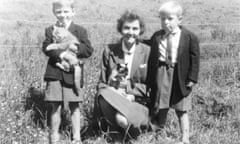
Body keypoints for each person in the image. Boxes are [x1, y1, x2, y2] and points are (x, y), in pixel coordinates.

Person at [144, 1, 200, 144]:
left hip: (180, 75)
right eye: (162, 19)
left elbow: (195, 59)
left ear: (179, 19)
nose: (165, 22)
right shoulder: (157, 36)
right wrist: (134, 40)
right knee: (161, 105)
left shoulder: (189, 37)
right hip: (162, 72)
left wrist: (192, 78)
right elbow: (148, 47)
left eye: (170, 19)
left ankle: (185, 138)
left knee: (182, 108)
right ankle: (158, 135)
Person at [42, 0, 93, 143]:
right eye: (59, 12)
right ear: (54, 13)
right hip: (55, 73)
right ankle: (54, 135)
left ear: (73, 12)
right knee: (55, 106)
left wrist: (75, 47)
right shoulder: (50, 30)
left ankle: (77, 137)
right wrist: (63, 54)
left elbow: (88, 50)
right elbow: (46, 47)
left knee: (75, 106)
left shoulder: (80, 31)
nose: (62, 15)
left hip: (73, 74)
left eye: (66, 11)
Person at [94, 10, 150, 141]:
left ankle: (133, 134)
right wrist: (114, 90)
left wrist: (130, 92)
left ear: (140, 30)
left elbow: (152, 87)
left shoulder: (148, 52)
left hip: (137, 101)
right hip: (114, 98)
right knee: (102, 94)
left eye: (135, 28)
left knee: (122, 118)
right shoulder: (110, 50)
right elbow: (101, 83)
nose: (130, 32)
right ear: (120, 29)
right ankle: (115, 134)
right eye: (127, 28)